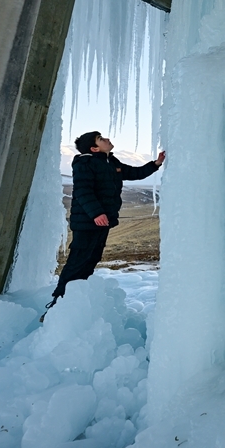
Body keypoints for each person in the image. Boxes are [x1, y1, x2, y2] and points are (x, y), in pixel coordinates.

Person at [43, 131, 165, 318]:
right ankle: (57, 305)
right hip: (87, 222)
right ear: (94, 148)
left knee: (92, 259)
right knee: (78, 261)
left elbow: (134, 173)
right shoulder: (85, 163)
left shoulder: (111, 162)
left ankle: (77, 298)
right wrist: (97, 213)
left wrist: (155, 164)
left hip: (101, 222)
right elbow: (84, 192)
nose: (107, 139)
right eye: (101, 139)